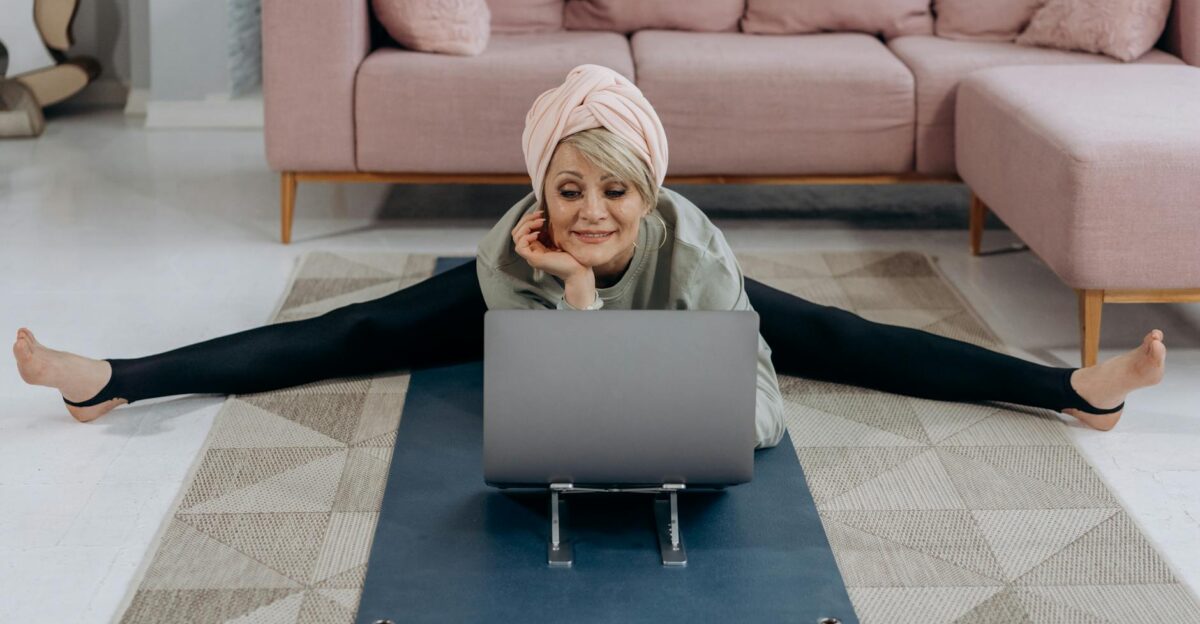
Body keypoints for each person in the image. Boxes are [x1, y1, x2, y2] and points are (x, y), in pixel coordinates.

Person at [13, 64, 1166, 450]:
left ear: (651, 195)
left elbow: (762, 418)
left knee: (848, 341)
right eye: (571, 191)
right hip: (527, 300)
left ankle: (1072, 392)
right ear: (538, 193)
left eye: (617, 191)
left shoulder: (690, 248)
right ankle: (113, 380)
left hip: (680, 307)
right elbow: (556, 407)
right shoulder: (513, 256)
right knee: (347, 333)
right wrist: (566, 293)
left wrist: (628, 324)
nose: (595, 214)